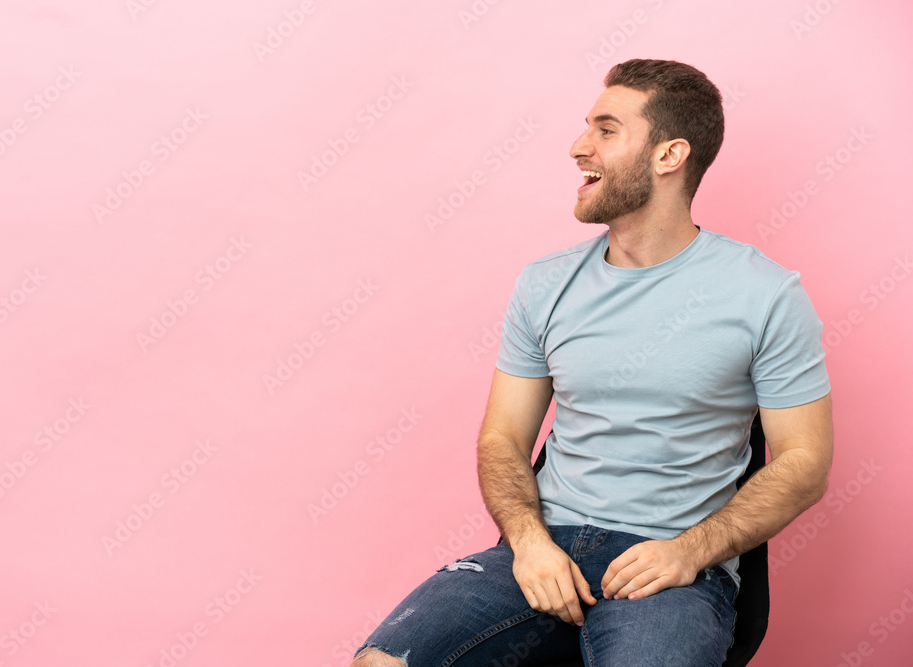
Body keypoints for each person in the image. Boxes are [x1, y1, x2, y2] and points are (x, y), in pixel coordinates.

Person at [351, 58, 833, 666]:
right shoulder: (544, 285)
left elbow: (805, 461)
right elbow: (502, 437)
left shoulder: (765, 294)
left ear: (669, 155)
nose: (580, 147)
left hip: (672, 571)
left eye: (606, 129)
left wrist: (690, 550)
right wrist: (528, 543)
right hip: (542, 553)